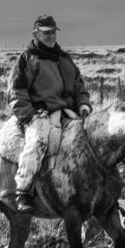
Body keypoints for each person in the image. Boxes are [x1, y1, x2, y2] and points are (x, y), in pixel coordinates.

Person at [7, 15, 92, 213]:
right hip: (40, 114)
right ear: (35, 33)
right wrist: (29, 115)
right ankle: (24, 190)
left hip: (67, 112)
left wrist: (84, 105)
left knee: (91, 143)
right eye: (46, 33)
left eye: (53, 32)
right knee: (37, 142)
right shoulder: (26, 60)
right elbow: (16, 93)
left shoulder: (65, 59)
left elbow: (79, 87)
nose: (51, 36)